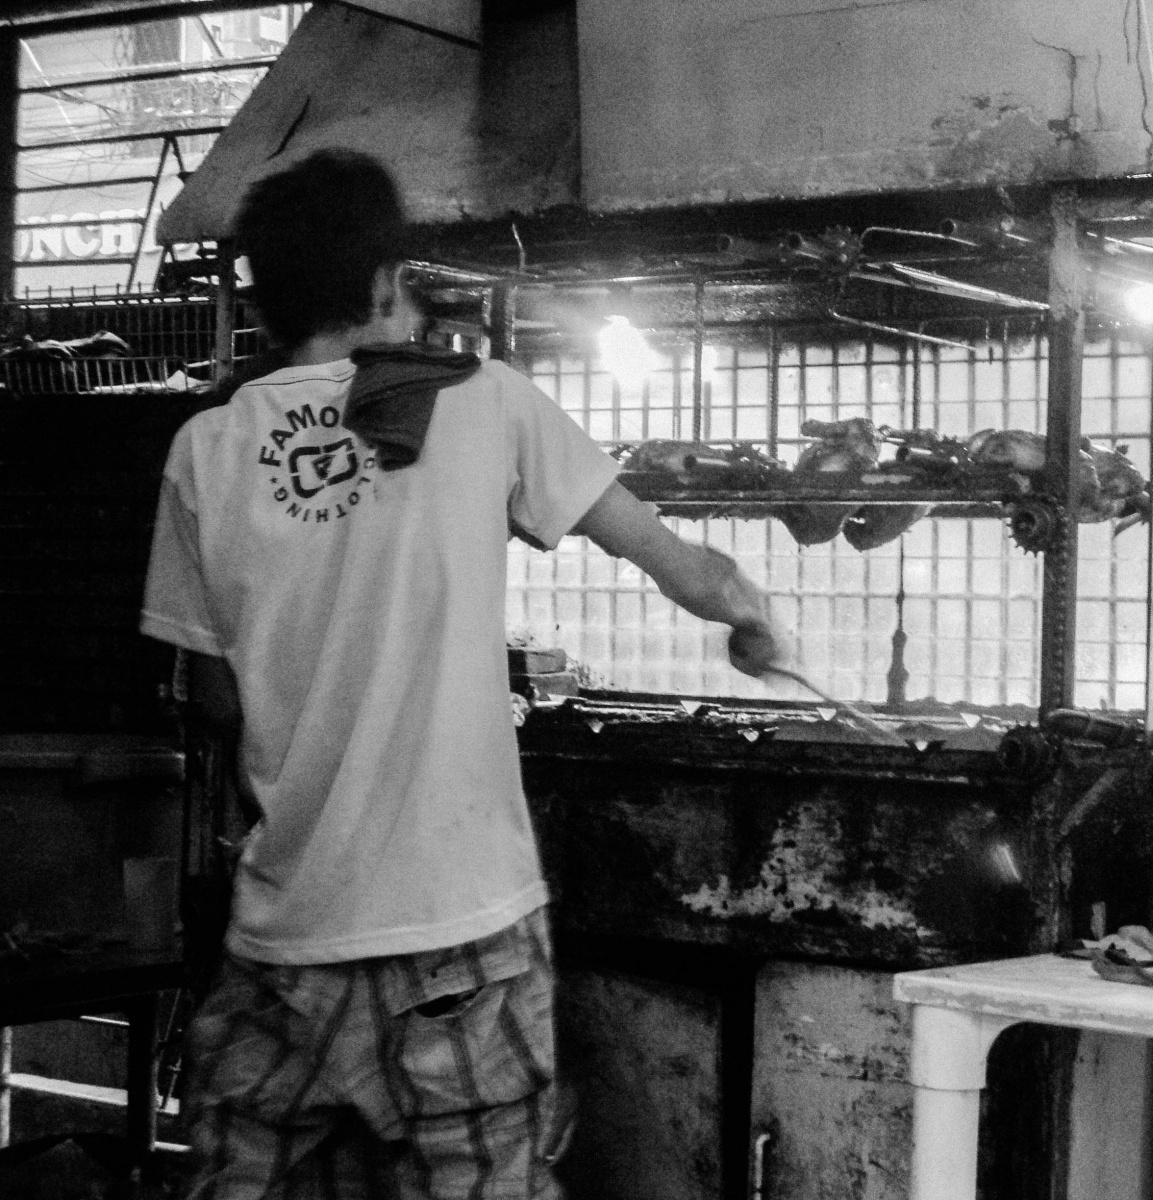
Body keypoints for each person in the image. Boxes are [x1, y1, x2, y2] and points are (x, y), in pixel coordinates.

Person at [140, 148, 781, 1199]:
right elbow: (682, 568)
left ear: (264, 305)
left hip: (283, 946)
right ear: (389, 284)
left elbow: (212, 697)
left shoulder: (203, 450)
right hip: (462, 940)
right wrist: (752, 620)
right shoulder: (484, 401)